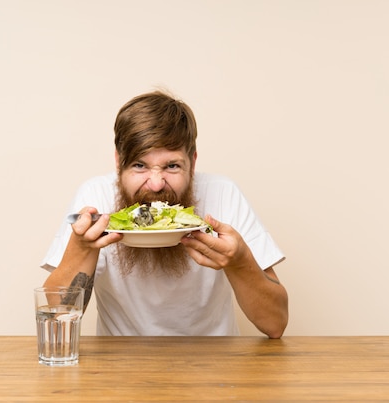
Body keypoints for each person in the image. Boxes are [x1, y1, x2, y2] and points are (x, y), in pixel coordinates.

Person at [41, 90, 288, 338]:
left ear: (192, 162)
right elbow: (55, 321)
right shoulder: (95, 196)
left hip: (214, 367)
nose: (157, 184)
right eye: (139, 165)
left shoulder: (223, 194)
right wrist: (81, 249)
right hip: (121, 368)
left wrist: (240, 262)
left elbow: (275, 324)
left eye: (172, 166)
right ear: (118, 163)